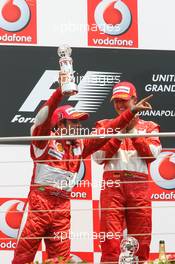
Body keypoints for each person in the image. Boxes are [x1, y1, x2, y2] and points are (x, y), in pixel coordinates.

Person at [12, 75, 153, 264]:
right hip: (39, 204)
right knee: (23, 257)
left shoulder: (80, 145)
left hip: (62, 208)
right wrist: (59, 93)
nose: (79, 127)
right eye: (74, 122)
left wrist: (130, 113)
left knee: (61, 259)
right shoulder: (43, 140)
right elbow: (42, 118)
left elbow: (107, 131)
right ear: (60, 124)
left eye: (79, 122)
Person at [93, 81, 162, 263]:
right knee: (110, 240)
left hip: (138, 187)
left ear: (135, 100)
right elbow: (98, 157)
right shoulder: (103, 125)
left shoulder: (149, 126)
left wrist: (132, 131)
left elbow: (152, 155)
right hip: (112, 186)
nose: (120, 105)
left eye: (124, 100)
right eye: (116, 101)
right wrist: (120, 129)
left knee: (142, 238)